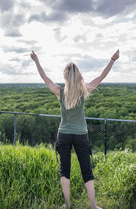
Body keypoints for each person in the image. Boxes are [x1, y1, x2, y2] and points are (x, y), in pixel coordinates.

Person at [30, 49, 120, 209]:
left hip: (63, 134)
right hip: (81, 135)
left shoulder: (59, 92)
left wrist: (36, 60)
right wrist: (112, 60)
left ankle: (67, 205)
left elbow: (45, 78)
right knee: (87, 170)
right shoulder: (84, 90)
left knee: (65, 170)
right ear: (78, 75)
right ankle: (93, 206)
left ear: (65, 76)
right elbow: (101, 77)